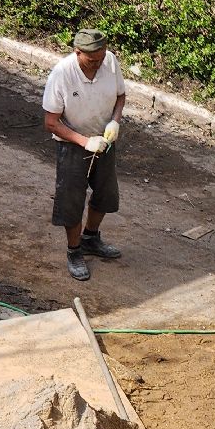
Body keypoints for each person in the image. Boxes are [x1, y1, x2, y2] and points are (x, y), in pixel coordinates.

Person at [43, 28, 127, 281]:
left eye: (101, 58)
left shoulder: (109, 62)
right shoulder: (62, 74)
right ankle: (74, 250)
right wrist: (83, 141)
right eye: (92, 60)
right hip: (72, 144)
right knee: (71, 199)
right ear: (77, 52)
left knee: (105, 193)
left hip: (104, 141)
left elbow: (121, 97)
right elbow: (51, 122)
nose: (98, 63)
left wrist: (114, 121)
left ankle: (90, 237)